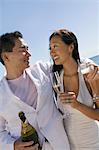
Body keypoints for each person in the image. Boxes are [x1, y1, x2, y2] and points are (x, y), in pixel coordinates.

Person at [0, 31, 70, 150]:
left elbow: (67, 62)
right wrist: (13, 145)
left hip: (60, 144)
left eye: (28, 49)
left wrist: (89, 65)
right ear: (6, 56)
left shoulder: (42, 69)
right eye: (23, 50)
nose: (29, 54)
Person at [49, 29, 99, 150]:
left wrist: (76, 105)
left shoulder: (89, 75)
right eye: (50, 48)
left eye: (55, 46)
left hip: (92, 142)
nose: (52, 52)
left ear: (71, 47)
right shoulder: (55, 78)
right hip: (68, 145)